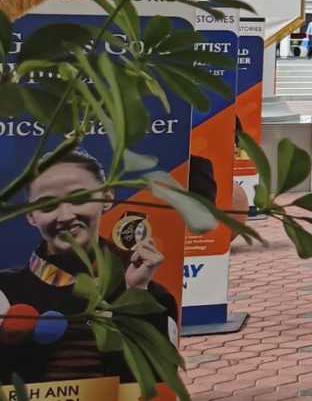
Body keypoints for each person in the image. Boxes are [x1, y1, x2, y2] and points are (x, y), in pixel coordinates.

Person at [0, 150, 178, 385]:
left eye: (80, 198)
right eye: (47, 205)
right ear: (30, 215)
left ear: (107, 198)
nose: (65, 215)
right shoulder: (6, 291)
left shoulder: (148, 292)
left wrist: (137, 296)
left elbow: (159, 383)